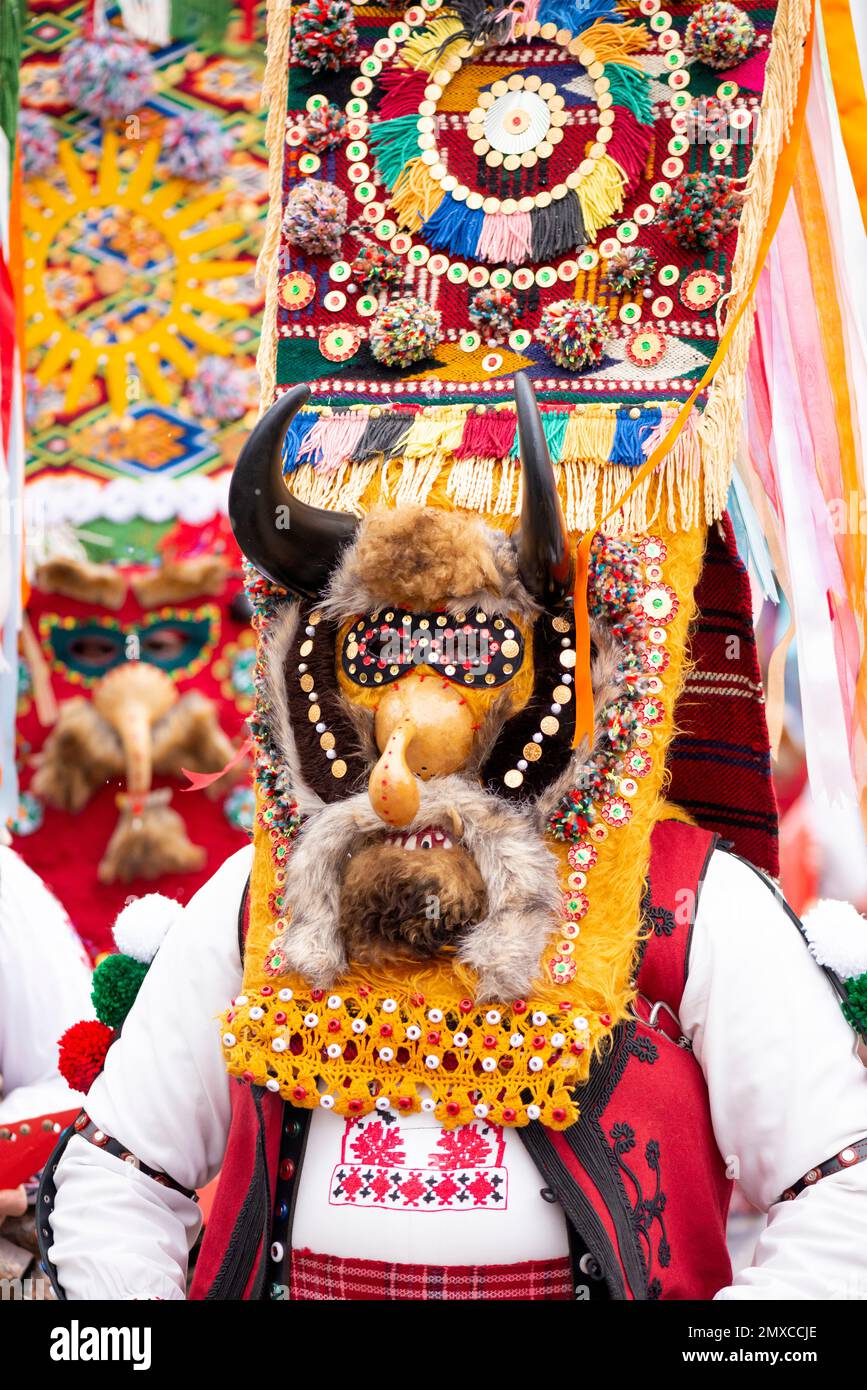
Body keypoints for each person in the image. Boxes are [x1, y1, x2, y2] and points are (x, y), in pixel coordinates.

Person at [41, 380, 867, 1301]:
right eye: (379, 653)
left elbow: (838, 1195)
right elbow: (121, 1174)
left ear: (556, 672)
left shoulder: (683, 903)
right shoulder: (261, 897)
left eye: (478, 654)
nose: (416, 716)